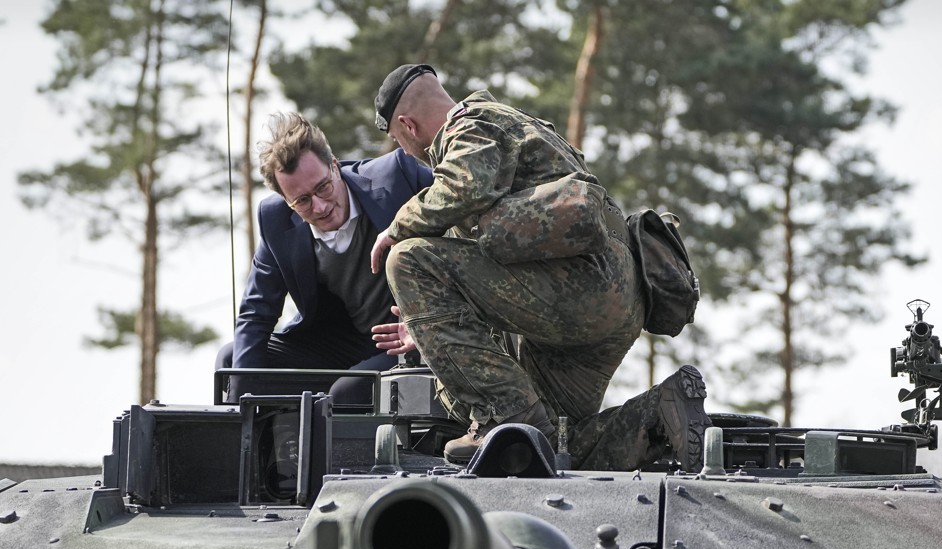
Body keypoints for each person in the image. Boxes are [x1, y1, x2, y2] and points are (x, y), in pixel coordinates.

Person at [368, 64, 711, 470]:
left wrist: (396, 228)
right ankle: (660, 413)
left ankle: (501, 412)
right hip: (614, 303)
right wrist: (432, 324)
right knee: (547, 444)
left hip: (578, 289)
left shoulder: (470, 126)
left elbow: (464, 187)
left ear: (407, 126)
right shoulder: (522, 124)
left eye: (397, 141)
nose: (405, 151)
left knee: (408, 260)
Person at [217, 112, 434, 405]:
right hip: (339, 344)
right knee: (232, 362)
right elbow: (256, 313)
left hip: (413, 336)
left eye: (323, 187)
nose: (319, 207)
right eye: (302, 201)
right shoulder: (274, 220)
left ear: (334, 166)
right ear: (285, 200)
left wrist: (425, 322)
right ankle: (249, 447)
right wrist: (237, 407)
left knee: (348, 392)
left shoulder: (397, 178)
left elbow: (461, 215)